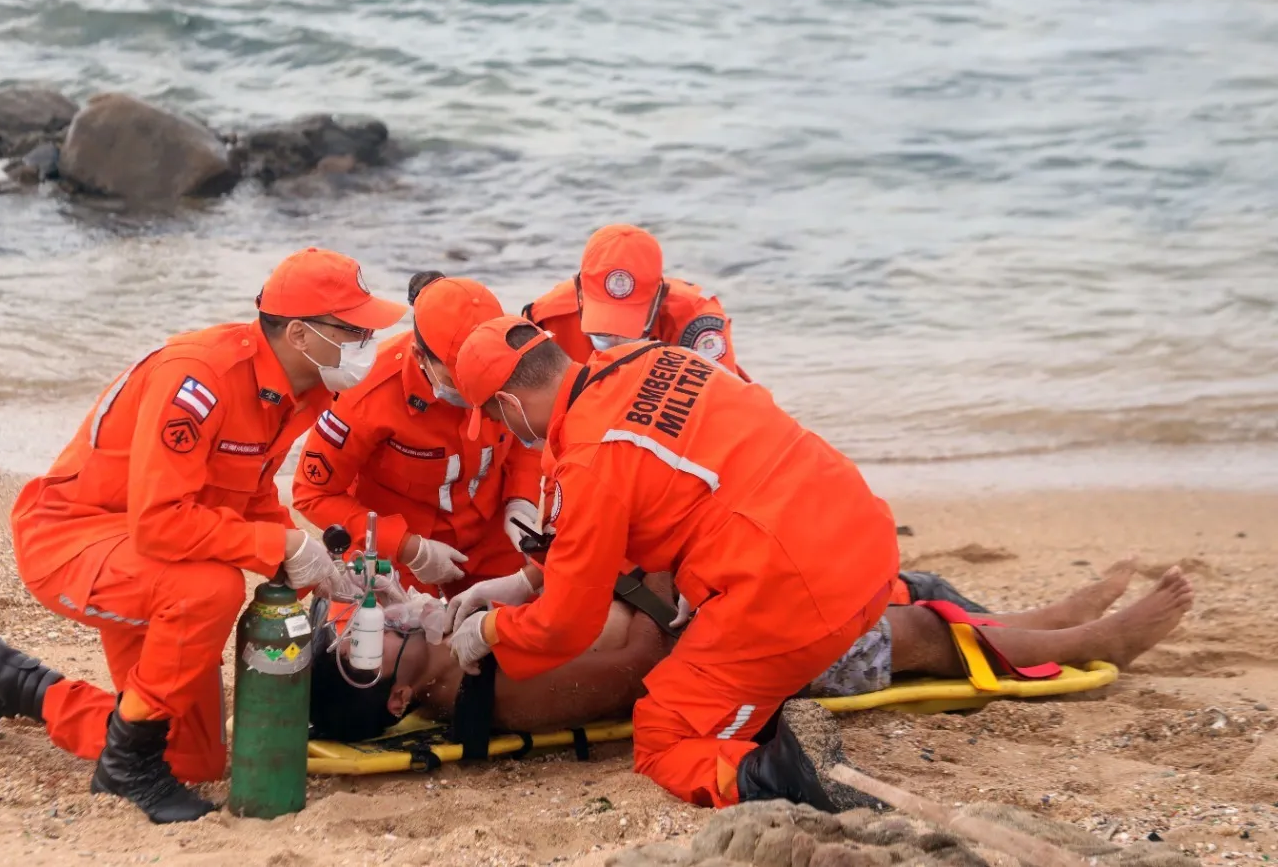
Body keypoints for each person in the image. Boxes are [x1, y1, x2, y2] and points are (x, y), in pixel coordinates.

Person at [0, 247, 407, 824]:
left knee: (197, 758)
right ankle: (126, 766)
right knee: (208, 589)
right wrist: (280, 548)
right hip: (74, 538)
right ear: (300, 334)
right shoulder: (201, 376)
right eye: (355, 328)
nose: (369, 339)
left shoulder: (298, 391)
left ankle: (8, 680)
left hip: (150, 555)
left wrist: (318, 567)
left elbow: (250, 496)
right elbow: (160, 519)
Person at [441, 315, 900, 809]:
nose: (500, 428)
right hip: (867, 541)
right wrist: (528, 579)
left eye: (494, 416)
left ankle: (784, 776)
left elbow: (567, 627)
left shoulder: (589, 461)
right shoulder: (653, 357)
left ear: (509, 403)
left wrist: (492, 631)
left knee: (663, 738)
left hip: (798, 592)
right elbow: (638, 493)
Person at [312, 561, 1195, 747]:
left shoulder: (468, 653)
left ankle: (1036, 616)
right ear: (396, 700)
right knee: (913, 638)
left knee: (884, 597)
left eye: (358, 623)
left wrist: (534, 581)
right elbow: (638, 661)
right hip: (718, 656)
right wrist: (619, 577)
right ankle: (1090, 640)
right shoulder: (500, 695)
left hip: (695, 620)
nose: (376, 625)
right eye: (365, 648)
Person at [291, 272, 541, 597]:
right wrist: (409, 548)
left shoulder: (515, 362)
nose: (477, 392)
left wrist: (522, 502)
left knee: (535, 621)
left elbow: (531, 436)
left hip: (490, 530)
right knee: (390, 637)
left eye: (486, 378)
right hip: (400, 543)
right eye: (461, 379)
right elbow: (313, 494)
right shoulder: (366, 393)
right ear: (420, 356)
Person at [521, 224, 747, 377]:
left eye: (628, 326)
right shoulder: (545, 321)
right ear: (579, 291)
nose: (616, 340)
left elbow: (724, 411)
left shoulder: (695, 322)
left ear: (659, 296)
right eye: (603, 329)